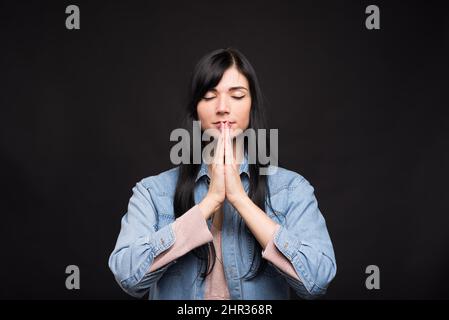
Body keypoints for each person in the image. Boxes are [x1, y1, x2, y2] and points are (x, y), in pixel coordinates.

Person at [108, 48, 336, 299]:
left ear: (252, 105)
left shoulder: (292, 188)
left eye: (237, 95)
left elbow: (317, 280)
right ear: (195, 109)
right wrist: (209, 203)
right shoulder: (152, 191)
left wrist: (240, 199)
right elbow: (128, 278)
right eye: (209, 96)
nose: (223, 108)